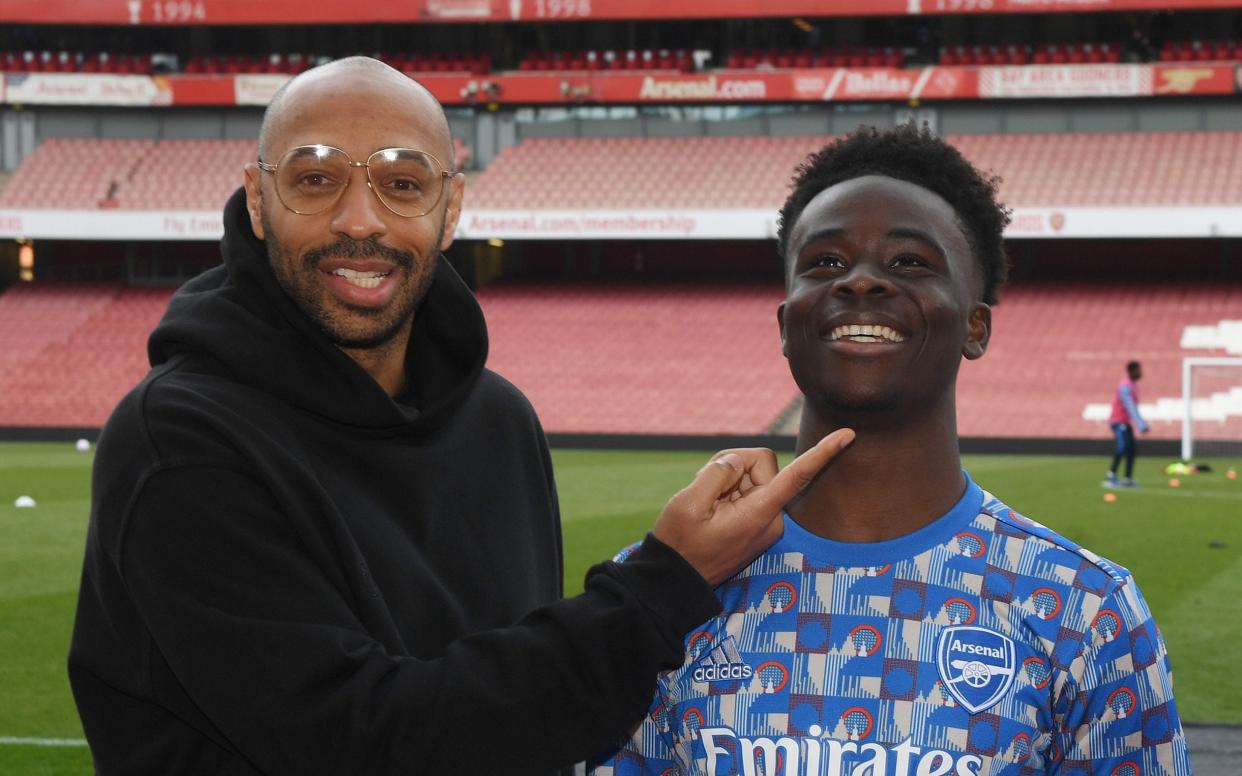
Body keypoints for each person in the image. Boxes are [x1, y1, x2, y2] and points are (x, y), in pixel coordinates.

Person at [67, 57, 854, 775]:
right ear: (259, 201)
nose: (359, 221)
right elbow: (361, 743)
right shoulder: (178, 441)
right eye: (315, 180)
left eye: (402, 184)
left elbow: (528, 727)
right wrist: (661, 586)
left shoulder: (500, 421)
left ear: (450, 211)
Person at [590, 125, 1191, 775]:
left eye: (908, 262)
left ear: (975, 325)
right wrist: (662, 584)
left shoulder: (1086, 611)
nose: (861, 282)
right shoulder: (663, 589)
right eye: (824, 262)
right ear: (786, 324)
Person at [1105, 360, 1150, 488]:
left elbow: (1133, 408)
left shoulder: (1134, 385)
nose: (1141, 372)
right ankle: (1111, 475)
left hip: (1125, 421)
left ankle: (1128, 478)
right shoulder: (1125, 386)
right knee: (1123, 447)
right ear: (1131, 371)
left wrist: (1141, 422)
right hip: (1118, 421)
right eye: (1138, 370)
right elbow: (1130, 406)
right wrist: (1141, 424)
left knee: (1132, 449)